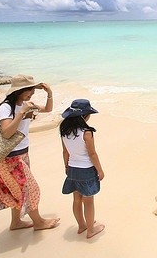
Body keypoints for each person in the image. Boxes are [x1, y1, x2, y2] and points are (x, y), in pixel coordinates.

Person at [0, 74, 60, 231]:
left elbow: (47, 109)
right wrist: (21, 113)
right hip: (10, 158)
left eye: (32, 90)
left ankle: (16, 222)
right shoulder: (6, 108)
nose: (31, 93)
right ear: (18, 91)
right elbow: (6, 133)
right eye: (28, 90)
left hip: (22, 154)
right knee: (30, 189)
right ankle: (38, 222)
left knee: (16, 191)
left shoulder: (25, 104)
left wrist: (49, 93)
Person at [60, 99, 105, 239]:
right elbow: (92, 154)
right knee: (89, 201)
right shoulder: (87, 132)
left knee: (77, 200)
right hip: (86, 170)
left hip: (73, 168)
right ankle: (91, 230)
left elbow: (65, 152)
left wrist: (66, 166)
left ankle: (82, 225)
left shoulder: (64, 130)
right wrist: (100, 170)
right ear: (84, 116)